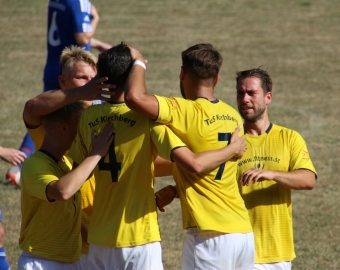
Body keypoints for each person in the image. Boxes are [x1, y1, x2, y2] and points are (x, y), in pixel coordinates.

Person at [68, 42, 247, 270]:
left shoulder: (87, 118)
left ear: (102, 77)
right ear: (133, 76)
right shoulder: (148, 119)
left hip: (99, 235)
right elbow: (190, 161)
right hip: (139, 235)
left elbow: (78, 171)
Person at [124, 43, 255, 270]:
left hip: (209, 235)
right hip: (242, 232)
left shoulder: (183, 110)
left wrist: (138, 61)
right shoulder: (233, 116)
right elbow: (214, 173)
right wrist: (176, 190)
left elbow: (134, 98)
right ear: (217, 79)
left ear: (183, 73)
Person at [20, 45, 111, 265]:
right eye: (82, 78)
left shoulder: (105, 119)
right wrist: (80, 94)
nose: (90, 83)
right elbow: (31, 107)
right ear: (63, 82)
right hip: (65, 243)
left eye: (93, 77)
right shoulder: (54, 122)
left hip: (99, 236)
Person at [6, 0, 112, 184]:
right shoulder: (80, 3)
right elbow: (82, 38)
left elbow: (63, 32)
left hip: (56, 65)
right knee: (51, 116)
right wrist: (95, 19)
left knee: (48, 116)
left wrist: (99, 44)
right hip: (71, 69)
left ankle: (19, 164)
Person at [236, 68, 317, 270]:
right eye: (240, 93)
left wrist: (271, 174)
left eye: (251, 93)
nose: (244, 99)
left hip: (275, 253)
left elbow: (308, 180)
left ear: (268, 97)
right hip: (236, 249)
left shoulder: (289, 138)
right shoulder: (231, 141)